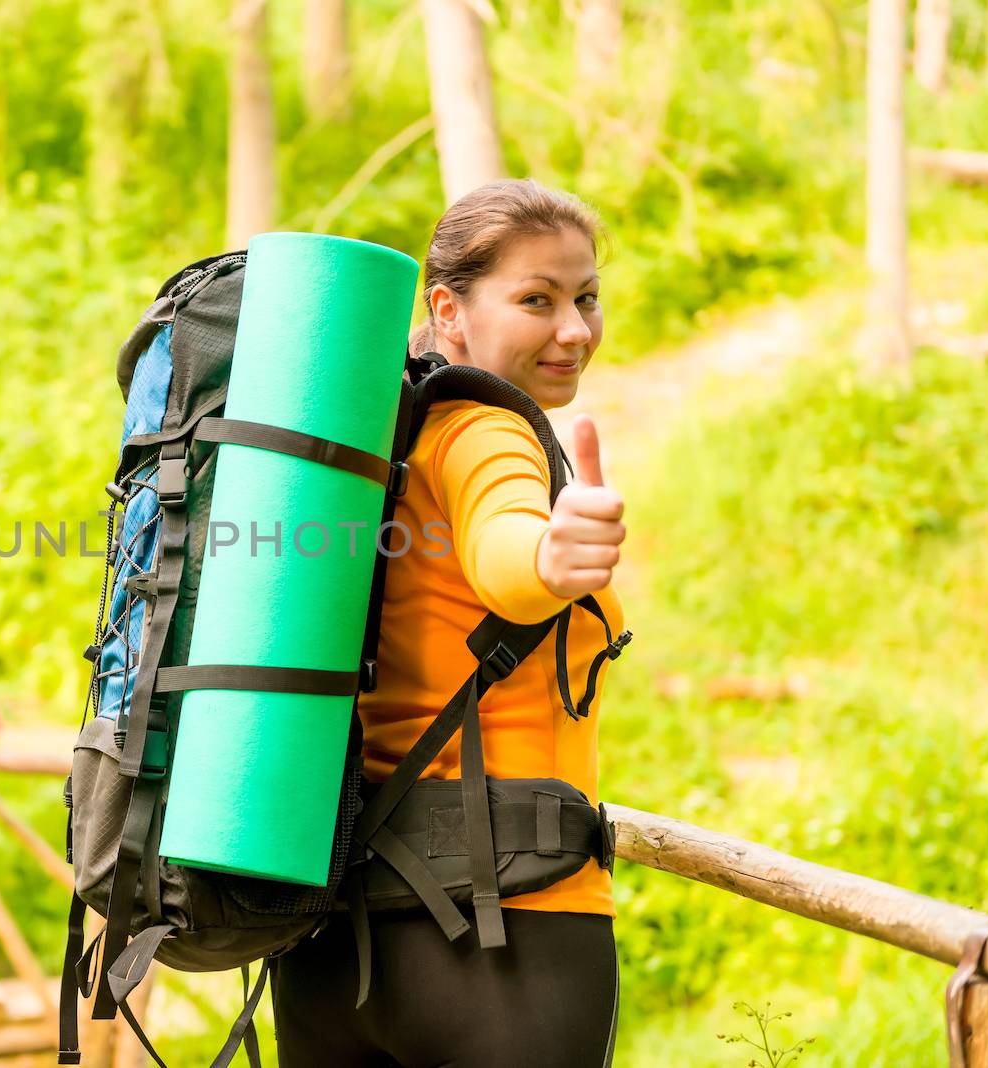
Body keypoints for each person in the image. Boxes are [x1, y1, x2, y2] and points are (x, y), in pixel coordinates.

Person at [272, 180, 628, 1067]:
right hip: (501, 933)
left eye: (585, 298)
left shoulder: (374, 448)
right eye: (536, 300)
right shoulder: (484, 432)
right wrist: (550, 560)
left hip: (328, 946)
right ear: (449, 311)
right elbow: (507, 549)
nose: (575, 329)